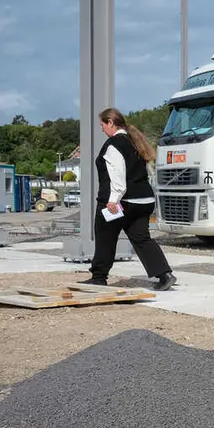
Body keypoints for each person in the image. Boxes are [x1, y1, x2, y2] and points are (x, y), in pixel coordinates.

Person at [83, 108, 176, 291]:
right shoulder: (135, 142)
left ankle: (99, 278)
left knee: (105, 237)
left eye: (102, 124)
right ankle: (164, 275)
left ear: (110, 122)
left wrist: (113, 200)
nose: (102, 129)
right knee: (141, 238)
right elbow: (146, 173)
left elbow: (118, 176)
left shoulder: (113, 144)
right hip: (143, 200)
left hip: (121, 201)